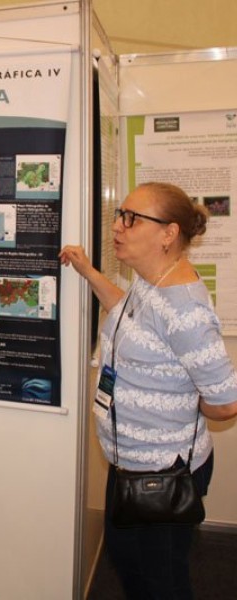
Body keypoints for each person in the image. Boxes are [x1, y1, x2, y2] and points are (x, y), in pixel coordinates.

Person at [60, 181, 237, 599]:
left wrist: (172, 395)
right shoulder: (152, 281)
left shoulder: (186, 309)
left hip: (163, 473)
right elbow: (132, 315)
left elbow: (226, 403)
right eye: (120, 215)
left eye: (131, 218)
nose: (118, 227)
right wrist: (89, 273)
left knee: (160, 582)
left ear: (168, 233)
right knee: (128, 563)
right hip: (129, 463)